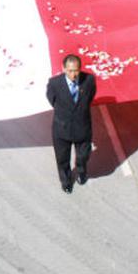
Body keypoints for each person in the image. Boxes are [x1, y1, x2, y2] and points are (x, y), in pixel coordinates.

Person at [45, 54, 96, 194]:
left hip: (82, 127)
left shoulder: (89, 80)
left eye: (76, 70)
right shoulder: (54, 83)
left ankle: (81, 171)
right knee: (62, 159)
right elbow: (52, 100)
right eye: (70, 70)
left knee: (83, 155)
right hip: (62, 128)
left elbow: (90, 97)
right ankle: (66, 181)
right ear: (63, 69)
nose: (73, 74)